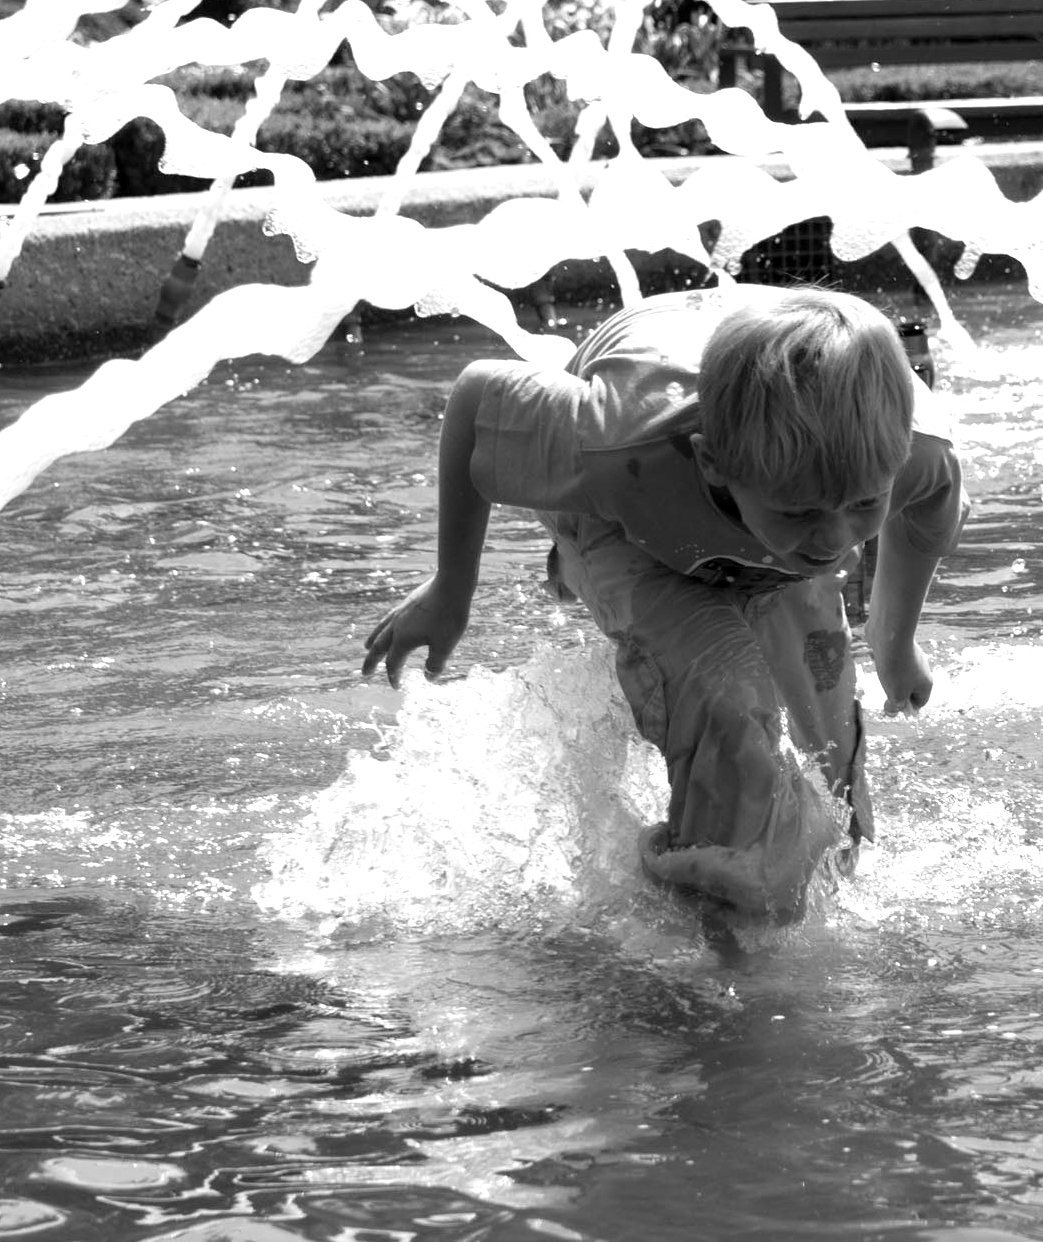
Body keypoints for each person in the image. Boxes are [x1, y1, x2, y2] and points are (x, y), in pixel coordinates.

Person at [362, 286, 962, 920]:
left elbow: (920, 520)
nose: (836, 538)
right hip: (626, 517)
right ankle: (713, 916)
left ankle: (823, 881)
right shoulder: (615, 443)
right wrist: (450, 589)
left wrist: (894, 646)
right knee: (730, 707)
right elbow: (480, 396)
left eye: (865, 506)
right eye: (804, 512)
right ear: (713, 464)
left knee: (829, 759)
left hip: (754, 508)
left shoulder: (918, 453)